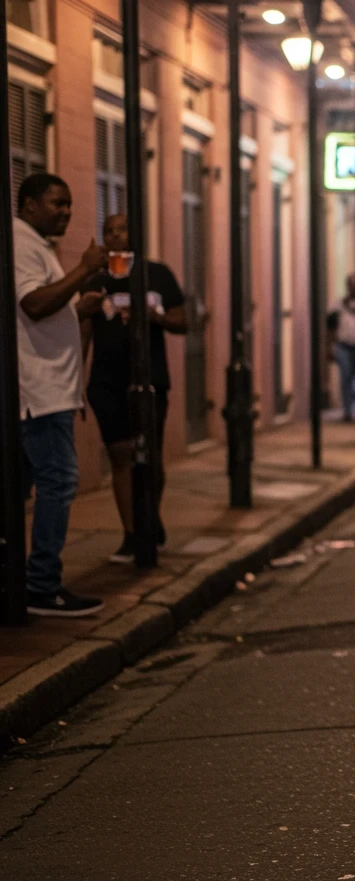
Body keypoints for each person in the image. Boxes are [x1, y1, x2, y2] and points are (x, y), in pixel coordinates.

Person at [12, 173, 108, 617]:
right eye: (58, 204)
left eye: (70, 204)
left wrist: (77, 309)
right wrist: (83, 270)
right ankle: (41, 584)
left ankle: (25, 581)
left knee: (25, 487)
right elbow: (32, 303)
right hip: (41, 391)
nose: (67, 212)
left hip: (51, 389)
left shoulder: (36, 244)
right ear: (30, 205)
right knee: (60, 480)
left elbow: (42, 309)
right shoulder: (21, 242)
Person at [87, 214, 188, 563]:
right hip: (106, 379)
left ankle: (149, 518)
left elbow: (183, 320)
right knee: (120, 455)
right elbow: (85, 329)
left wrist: (154, 316)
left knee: (150, 455)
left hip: (149, 380)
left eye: (121, 229)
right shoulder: (96, 279)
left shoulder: (156, 274)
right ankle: (132, 533)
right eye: (108, 231)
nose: (114, 236)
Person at [326, 274, 355, 422]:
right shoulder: (338, 305)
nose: (354, 287)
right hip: (343, 346)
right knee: (346, 378)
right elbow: (330, 327)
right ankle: (347, 411)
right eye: (351, 284)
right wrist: (328, 347)